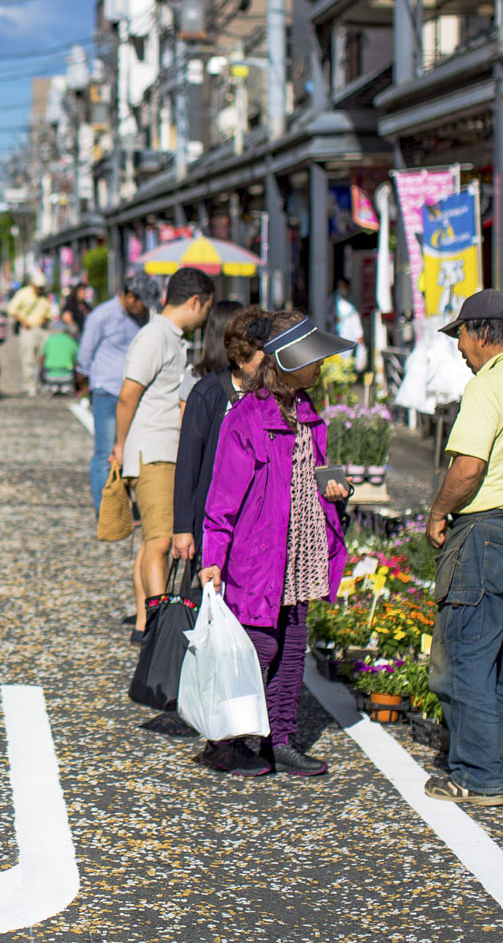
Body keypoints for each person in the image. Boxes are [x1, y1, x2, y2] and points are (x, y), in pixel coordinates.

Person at [199, 311, 355, 778]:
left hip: (302, 546)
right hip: (261, 553)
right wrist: (213, 557)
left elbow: (313, 468)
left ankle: (279, 739)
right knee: (258, 649)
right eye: (314, 358)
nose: (321, 365)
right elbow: (223, 495)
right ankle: (225, 743)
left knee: (291, 648)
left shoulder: (308, 413)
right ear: (287, 361)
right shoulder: (247, 418)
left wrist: (334, 485)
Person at [422, 289, 503, 808]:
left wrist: (437, 512)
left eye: (460, 336)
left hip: (484, 530)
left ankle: (476, 775)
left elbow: (469, 467)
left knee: (467, 656)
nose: (458, 348)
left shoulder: (487, 387)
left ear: (480, 333)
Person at [111, 266, 216, 638]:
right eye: (206, 308)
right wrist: (121, 445)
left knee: (150, 542)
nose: (205, 317)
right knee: (159, 542)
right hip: (153, 449)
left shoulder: (168, 336)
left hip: (160, 450)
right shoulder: (155, 336)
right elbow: (128, 394)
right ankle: (158, 624)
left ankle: (144, 620)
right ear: (195, 301)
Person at [172, 303, 262, 562]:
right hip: (210, 512)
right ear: (242, 357)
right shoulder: (207, 393)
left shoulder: (273, 393)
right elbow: (188, 462)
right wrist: (182, 528)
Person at [76, 274, 155, 520]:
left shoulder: (144, 316)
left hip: (134, 392)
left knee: (132, 449)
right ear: (129, 296)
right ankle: (106, 509)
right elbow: (84, 355)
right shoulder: (102, 315)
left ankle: (132, 503)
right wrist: (86, 384)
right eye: (141, 301)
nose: (144, 307)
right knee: (105, 451)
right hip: (108, 391)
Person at [7, 274, 55, 396]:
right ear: (32, 284)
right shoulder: (23, 293)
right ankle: (29, 385)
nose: (40, 289)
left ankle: (43, 383)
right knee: (28, 359)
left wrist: (46, 318)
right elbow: (12, 310)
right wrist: (22, 320)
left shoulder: (44, 296)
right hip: (28, 329)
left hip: (42, 329)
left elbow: (49, 312)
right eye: (38, 287)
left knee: (44, 358)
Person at [39, 319, 79, 391]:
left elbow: (42, 357)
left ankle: (49, 386)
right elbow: (77, 361)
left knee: (37, 370)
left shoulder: (50, 339)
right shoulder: (72, 342)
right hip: (67, 376)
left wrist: (42, 368)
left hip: (49, 375)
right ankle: (66, 387)